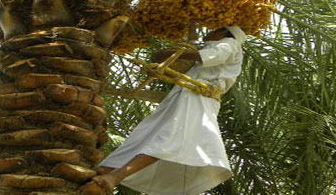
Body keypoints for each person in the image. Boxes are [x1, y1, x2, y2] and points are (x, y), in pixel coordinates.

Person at [90, 26, 246, 195]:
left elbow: (215, 56)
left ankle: (116, 177)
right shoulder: (209, 46)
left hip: (199, 98)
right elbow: (197, 49)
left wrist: (169, 54)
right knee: (146, 134)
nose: (207, 32)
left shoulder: (230, 43)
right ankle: (104, 171)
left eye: (212, 29)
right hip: (183, 96)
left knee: (169, 138)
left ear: (222, 32)